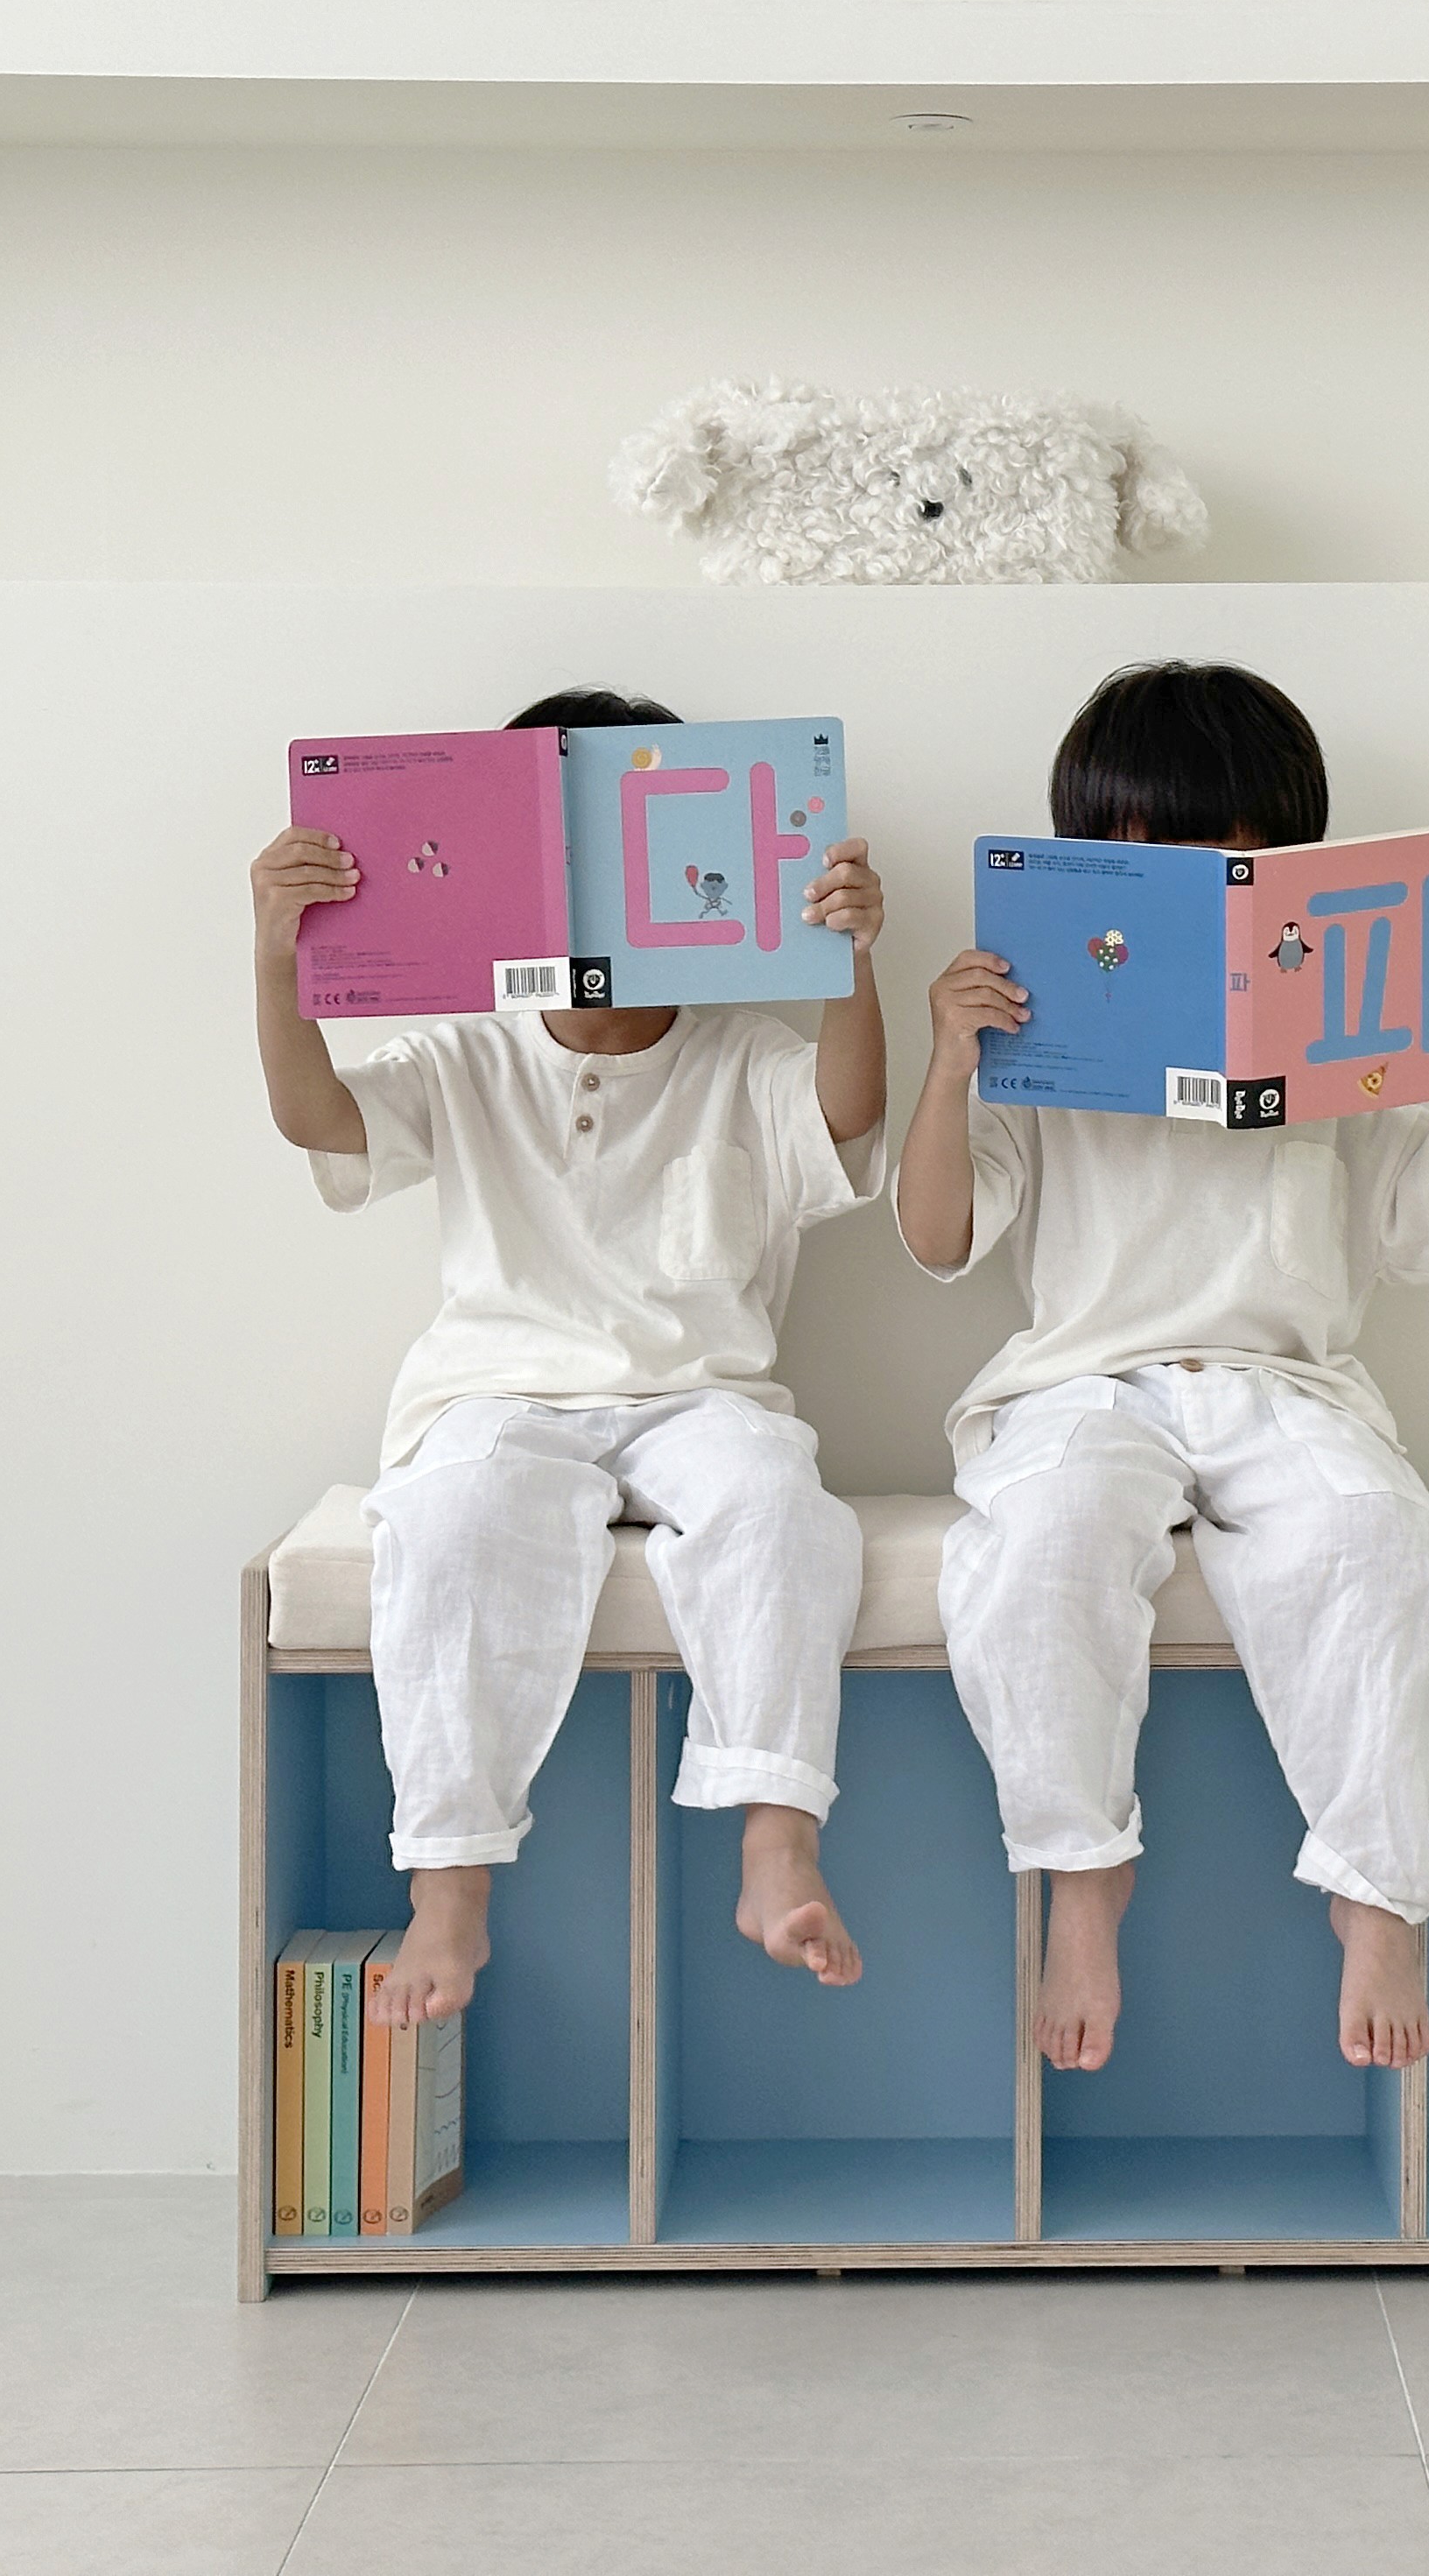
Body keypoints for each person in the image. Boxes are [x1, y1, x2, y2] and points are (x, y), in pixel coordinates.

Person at [895, 661, 1429, 2074]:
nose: (1197, 879)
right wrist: (948, 1063)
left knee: (1392, 1543)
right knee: (1040, 1543)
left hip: (1286, 1384)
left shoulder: (1351, 1009)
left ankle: (1377, 1892)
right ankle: (1081, 1878)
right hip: (1084, 1382)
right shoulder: (1038, 1014)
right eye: (1153, 852)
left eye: (1232, 849)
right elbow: (939, 1237)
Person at [251, 687, 890, 2025]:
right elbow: (321, 1119)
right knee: (451, 1518)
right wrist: (276, 958)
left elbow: (845, 1118)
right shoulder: (469, 1049)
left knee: (779, 1507)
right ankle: (449, 1880)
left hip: (701, 1395)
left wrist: (852, 962)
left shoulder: (742, 1052)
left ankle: (777, 1837)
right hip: (501, 1388)